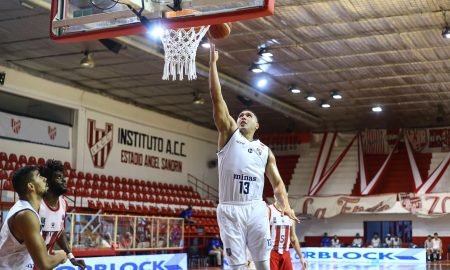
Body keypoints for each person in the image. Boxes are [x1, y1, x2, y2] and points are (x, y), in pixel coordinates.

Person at [209, 43, 298, 270]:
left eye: (249, 115)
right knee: (239, 266)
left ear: (257, 125)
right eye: (241, 115)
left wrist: (285, 205)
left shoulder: (265, 150)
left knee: (263, 264)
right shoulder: (229, 134)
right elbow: (217, 99)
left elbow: (277, 183)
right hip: (230, 208)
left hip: (256, 208)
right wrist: (213, 65)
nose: (243, 116)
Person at [0, 166, 67, 269]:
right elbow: (45, 264)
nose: (45, 178)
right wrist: (61, 255)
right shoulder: (27, 216)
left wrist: (52, 254)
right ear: (31, 186)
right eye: (39, 176)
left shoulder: (25, 209)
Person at [39, 159, 86, 269]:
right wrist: (60, 256)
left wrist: (71, 257)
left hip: (45, 263)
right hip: (27, 263)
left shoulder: (63, 204)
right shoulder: (37, 203)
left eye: (63, 177)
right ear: (48, 182)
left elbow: (59, 233)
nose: (64, 180)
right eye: (58, 177)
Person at [268, 202, 307, 270]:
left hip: (285, 252)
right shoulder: (269, 210)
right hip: (271, 252)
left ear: (286, 194)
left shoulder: (291, 212)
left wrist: (301, 257)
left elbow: (293, 237)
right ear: (275, 194)